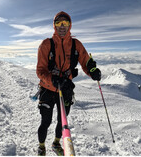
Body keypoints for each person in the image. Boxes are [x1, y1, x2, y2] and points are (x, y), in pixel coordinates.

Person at [36, 11, 101, 156]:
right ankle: (41, 146)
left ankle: (56, 143)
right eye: (59, 23)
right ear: (54, 25)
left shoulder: (76, 45)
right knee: (45, 121)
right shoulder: (46, 44)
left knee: (61, 121)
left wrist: (93, 71)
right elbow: (40, 70)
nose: (62, 26)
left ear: (70, 25)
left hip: (65, 88)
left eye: (65, 23)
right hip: (48, 88)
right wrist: (52, 80)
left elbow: (86, 61)